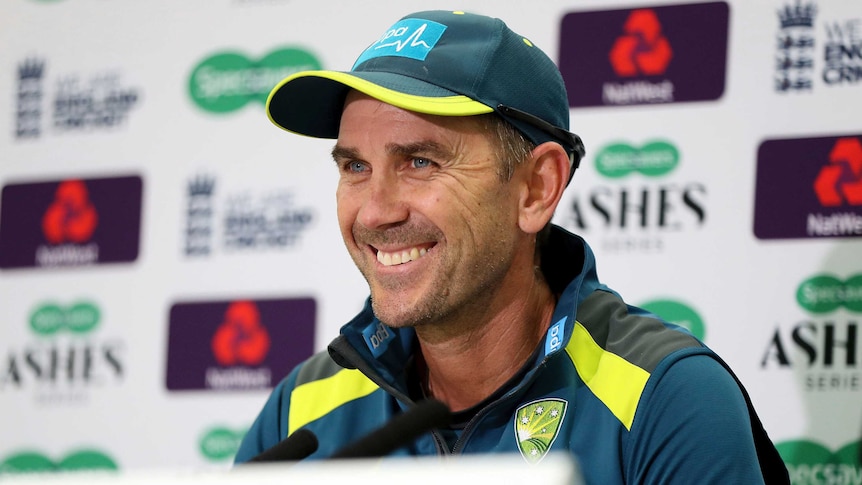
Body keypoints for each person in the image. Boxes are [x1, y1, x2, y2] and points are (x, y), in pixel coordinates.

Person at [234, 9, 789, 484]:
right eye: (356, 166)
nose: (376, 211)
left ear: (537, 189)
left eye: (420, 162)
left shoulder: (666, 400)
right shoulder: (300, 413)